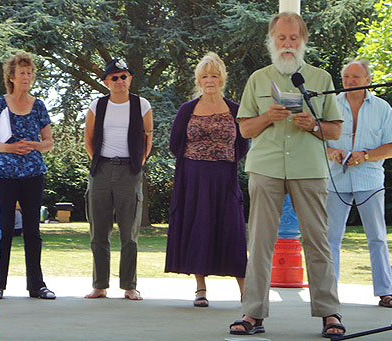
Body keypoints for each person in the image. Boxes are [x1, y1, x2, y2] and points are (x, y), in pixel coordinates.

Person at [229, 12, 346, 338]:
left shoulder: (321, 78)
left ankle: (329, 313)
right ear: (271, 41)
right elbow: (245, 127)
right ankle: (253, 314)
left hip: (309, 169)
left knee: (318, 242)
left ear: (303, 42)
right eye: (281, 38)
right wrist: (268, 116)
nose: (287, 44)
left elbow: (335, 130)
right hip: (266, 168)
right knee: (261, 242)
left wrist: (313, 125)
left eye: (293, 38)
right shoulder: (258, 78)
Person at [165, 52, 249, 307]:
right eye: (204, 76)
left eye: (214, 75)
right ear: (198, 81)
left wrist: (223, 158)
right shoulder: (187, 110)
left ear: (222, 79)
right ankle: (200, 288)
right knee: (197, 227)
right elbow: (175, 143)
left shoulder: (235, 109)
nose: (209, 80)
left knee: (232, 230)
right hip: (193, 178)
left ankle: (246, 292)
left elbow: (243, 143)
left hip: (224, 178)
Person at [326, 60, 392, 308]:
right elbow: (319, 140)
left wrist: (365, 155)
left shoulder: (382, 108)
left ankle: (385, 292)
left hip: (369, 179)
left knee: (377, 236)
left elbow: (391, 148)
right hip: (336, 179)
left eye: (355, 76)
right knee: (331, 237)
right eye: (346, 77)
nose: (350, 81)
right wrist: (332, 152)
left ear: (368, 79)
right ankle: (328, 292)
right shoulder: (331, 105)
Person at [0, 52, 55, 300]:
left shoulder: (38, 105)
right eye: (22, 73)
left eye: (30, 73)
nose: (27, 77)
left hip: (33, 174)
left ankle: (37, 285)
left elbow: (49, 143)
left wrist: (34, 145)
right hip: (4, 175)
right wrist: (11, 148)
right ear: (11, 77)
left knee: (32, 230)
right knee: (3, 228)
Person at [84, 58, 153, 300]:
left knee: (129, 233)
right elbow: (89, 139)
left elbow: (148, 138)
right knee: (99, 231)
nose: (120, 81)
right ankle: (100, 284)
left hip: (130, 171)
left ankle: (129, 286)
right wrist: (99, 162)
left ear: (130, 79)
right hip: (101, 170)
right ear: (106, 82)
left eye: (124, 76)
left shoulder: (141, 104)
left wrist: (137, 165)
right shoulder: (97, 105)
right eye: (115, 77)